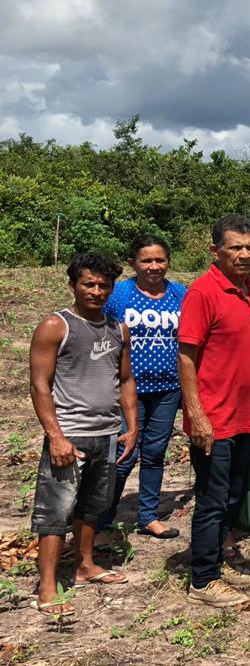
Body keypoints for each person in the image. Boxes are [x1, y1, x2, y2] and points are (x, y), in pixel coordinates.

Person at [28, 253, 137, 613]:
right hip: (69, 435)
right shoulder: (55, 327)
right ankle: (47, 586)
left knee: (93, 506)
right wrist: (56, 436)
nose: (96, 291)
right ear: (73, 285)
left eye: (103, 285)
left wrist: (131, 425)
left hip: (106, 433)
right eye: (88, 284)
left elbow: (124, 380)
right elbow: (40, 385)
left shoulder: (118, 329)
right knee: (56, 511)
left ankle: (85, 565)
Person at [178, 215, 250, 607]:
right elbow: (186, 356)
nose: (245, 255)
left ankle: (215, 556)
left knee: (231, 494)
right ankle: (202, 580)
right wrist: (196, 414)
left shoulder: (247, 289)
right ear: (216, 251)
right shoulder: (204, 292)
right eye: (236, 248)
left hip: (245, 414)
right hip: (215, 417)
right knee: (212, 497)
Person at [94, 235, 185, 543]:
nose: (154, 266)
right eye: (146, 260)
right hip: (127, 388)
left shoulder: (178, 294)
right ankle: (102, 522)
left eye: (160, 260)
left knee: (156, 452)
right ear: (132, 262)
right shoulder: (119, 294)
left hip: (168, 388)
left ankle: (148, 515)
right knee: (123, 453)